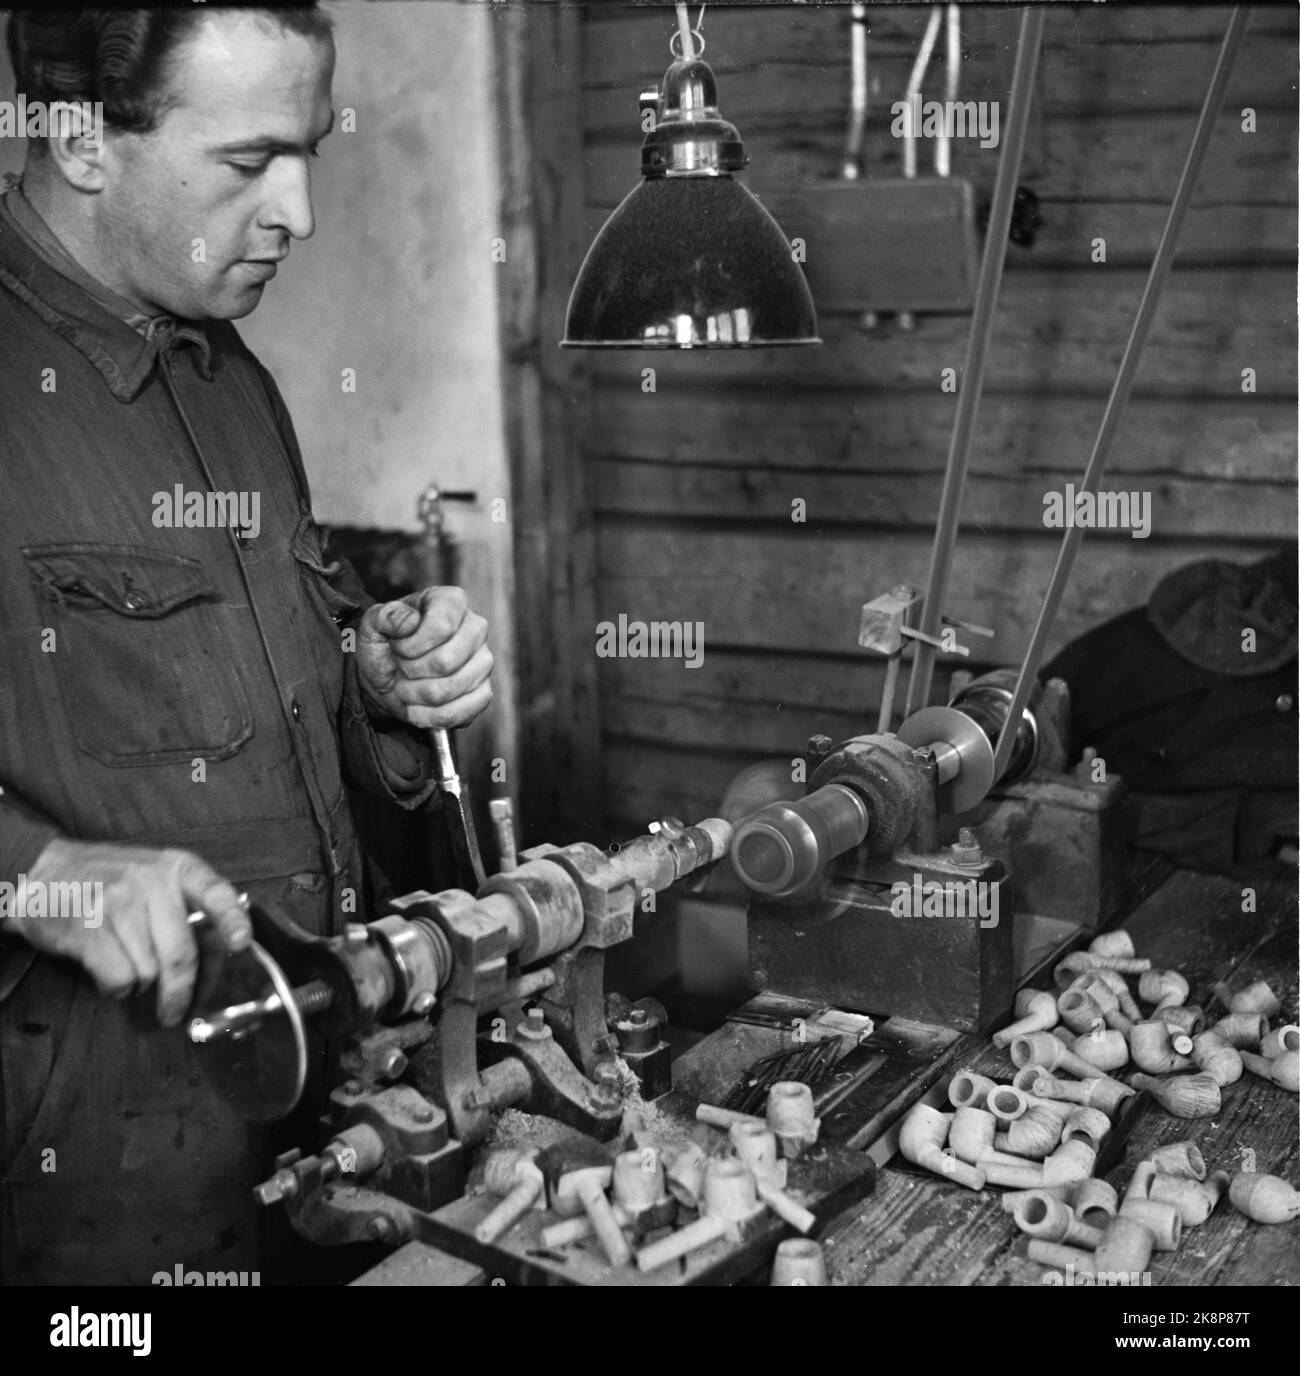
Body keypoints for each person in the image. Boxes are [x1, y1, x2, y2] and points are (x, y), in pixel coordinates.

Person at [0, 6, 494, 1284]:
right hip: (90, 1206)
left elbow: (291, 686)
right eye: (247, 161)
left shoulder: (227, 376)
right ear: (78, 137)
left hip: (312, 1123)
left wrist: (375, 683)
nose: (299, 213)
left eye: (310, 154)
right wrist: (40, 870)